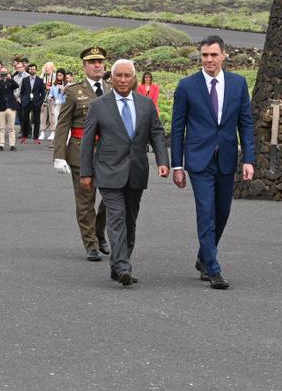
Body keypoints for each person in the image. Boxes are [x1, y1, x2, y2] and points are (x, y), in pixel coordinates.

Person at [171, 35, 255, 289]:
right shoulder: (187, 86)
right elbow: (177, 129)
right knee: (206, 211)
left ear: (223, 56)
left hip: (227, 158)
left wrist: (248, 159)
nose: (208, 59)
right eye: (204, 55)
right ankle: (213, 269)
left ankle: (203, 256)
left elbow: (246, 124)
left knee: (223, 212)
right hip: (199, 160)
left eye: (213, 55)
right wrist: (177, 165)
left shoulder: (238, 84)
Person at [79, 59, 170, 286]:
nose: (122, 80)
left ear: (134, 78)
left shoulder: (146, 104)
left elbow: (157, 133)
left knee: (130, 221)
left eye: (127, 76)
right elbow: (87, 142)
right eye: (118, 75)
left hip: (137, 172)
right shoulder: (99, 105)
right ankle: (122, 266)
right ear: (111, 77)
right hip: (109, 172)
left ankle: (119, 263)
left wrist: (162, 160)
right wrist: (86, 174)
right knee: (116, 218)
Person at [53, 47, 110, 262]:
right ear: (84, 66)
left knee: (111, 197)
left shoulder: (112, 88)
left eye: (100, 61)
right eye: (92, 62)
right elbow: (63, 125)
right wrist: (59, 155)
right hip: (80, 151)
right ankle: (91, 244)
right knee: (85, 201)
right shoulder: (73, 91)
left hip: (108, 153)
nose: (97, 65)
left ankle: (99, 230)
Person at [19, 63, 46, 143]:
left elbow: (43, 93)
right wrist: (22, 100)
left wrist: (40, 102)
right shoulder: (25, 80)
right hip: (26, 102)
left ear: (36, 70)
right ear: (28, 70)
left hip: (36, 102)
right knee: (25, 120)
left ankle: (36, 137)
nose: (32, 70)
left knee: (37, 121)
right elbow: (22, 92)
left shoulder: (40, 80)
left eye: (33, 69)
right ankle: (24, 136)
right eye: (30, 69)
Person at [0, 67, 19, 151]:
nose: (3, 74)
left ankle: (12, 144)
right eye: (2, 72)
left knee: (11, 127)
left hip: (11, 106)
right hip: (1, 107)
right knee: (1, 127)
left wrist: (10, 78)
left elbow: (16, 86)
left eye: (5, 72)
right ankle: (1, 144)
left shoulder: (10, 82)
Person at [47, 69, 67, 141]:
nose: (59, 77)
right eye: (58, 75)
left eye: (60, 75)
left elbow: (70, 95)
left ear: (64, 76)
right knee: (55, 119)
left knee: (63, 120)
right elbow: (50, 95)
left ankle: (64, 136)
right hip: (56, 104)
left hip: (64, 105)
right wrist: (50, 98)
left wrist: (64, 89)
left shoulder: (67, 84)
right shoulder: (54, 85)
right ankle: (55, 134)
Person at [38, 62, 55, 140]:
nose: (47, 69)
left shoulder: (54, 76)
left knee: (52, 114)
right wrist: (42, 73)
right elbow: (38, 83)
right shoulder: (43, 76)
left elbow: (56, 86)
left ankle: (53, 132)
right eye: (45, 68)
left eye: (48, 68)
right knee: (43, 115)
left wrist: (50, 88)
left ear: (52, 68)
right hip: (43, 97)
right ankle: (42, 132)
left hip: (52, 98)